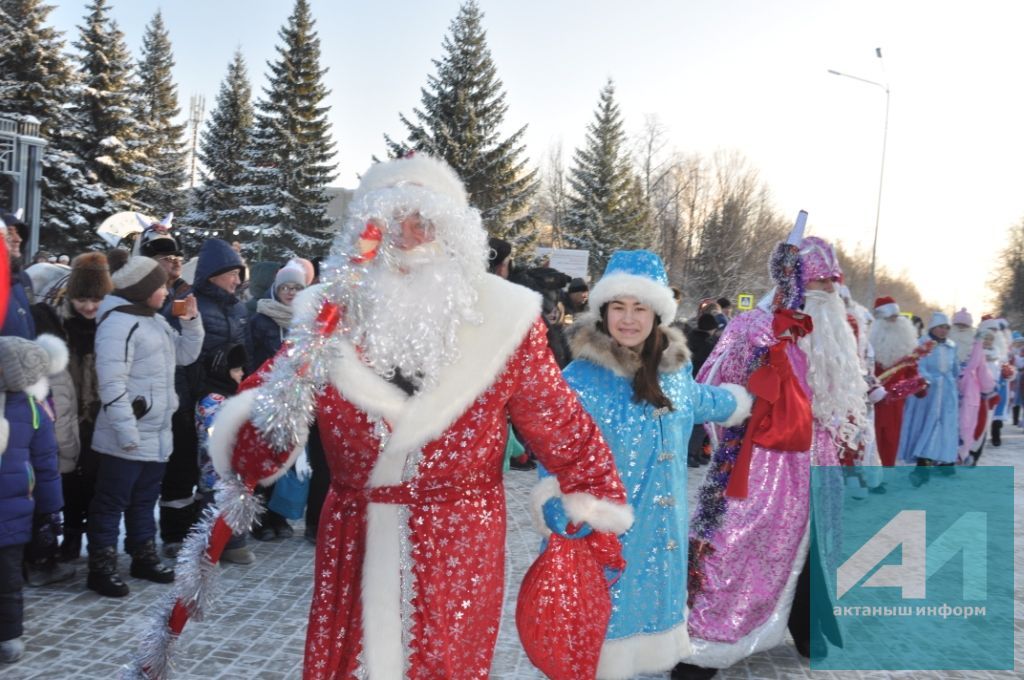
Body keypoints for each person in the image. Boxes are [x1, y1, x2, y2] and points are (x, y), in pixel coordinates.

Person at [140, 155, 632, 678]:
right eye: (396, 217)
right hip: (355, 538)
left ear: (455, 230)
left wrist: (595, 509)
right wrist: (285, 391)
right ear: (368, 229)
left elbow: (562, 427)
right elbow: (253, 448)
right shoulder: (327, 316)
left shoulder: (507, 318)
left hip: (461, 544)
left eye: (428, 217)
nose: (414, 234)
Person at [550, 250, 749, 679]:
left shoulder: (675, 371)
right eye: (618, 307)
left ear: (657, 313)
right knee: (604, 649)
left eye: (639, 308)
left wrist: (745, 402)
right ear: (603, 311)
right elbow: (556, 453)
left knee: (649, 649)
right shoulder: (581, 381)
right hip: (608, 545)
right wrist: (565, 508)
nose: (628, 319)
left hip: (664, 542)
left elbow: (699, 401)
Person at [679, 232, 866, 677]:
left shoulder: (839, 335)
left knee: (818, 550)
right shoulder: (754, 326)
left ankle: (807, 629)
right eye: (817, 283)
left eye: (831, 285)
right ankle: (704, 647)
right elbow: (714, 383)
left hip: (818, 466)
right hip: (763, 466)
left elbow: (844, 405)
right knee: (735, 543)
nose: (826, 293)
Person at [87, 255, 203, 597]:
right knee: (111, 501)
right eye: (160, 287)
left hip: (156, 432)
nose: (167, 292)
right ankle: (101, 566)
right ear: (142, 290)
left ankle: (142, 555)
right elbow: (111, 382)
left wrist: (192, 320)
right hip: (127, 433)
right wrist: (125, 431)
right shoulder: (118, 324)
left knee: (144, 499)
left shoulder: (155, 320)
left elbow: (186, 355)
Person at [159, 238, 245, 556]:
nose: (237, 280)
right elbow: (177, 356)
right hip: (191, 399)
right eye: (231, 274)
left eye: (239, 274)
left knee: (217, 468)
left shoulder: (236, 308)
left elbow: (242, 351)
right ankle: (175, 534)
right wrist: (181, 402)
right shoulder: (188, 305)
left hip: (223, 401)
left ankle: (214, 534)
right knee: (181, 469)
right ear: (213, 275)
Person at [0, 335, 68, 664]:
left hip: (12, 512)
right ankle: (9, 637)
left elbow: (45, 461)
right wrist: (50, 508)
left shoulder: (31, 410)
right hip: (16, 512)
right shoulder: (33, 407)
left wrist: (50, 508)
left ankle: (9, 636)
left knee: (9, 579)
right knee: (8, 581)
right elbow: (46, 464)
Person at [246, 261, 307, 539]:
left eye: (296, 287)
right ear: (276, 289)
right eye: (286, 287)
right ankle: (260, 519)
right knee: (265, 459)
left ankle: (278, 516)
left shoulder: (306, 320)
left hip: (296, 397)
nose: (290, 292)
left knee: (288, 461)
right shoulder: (261, 319)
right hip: (266, 395)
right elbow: (250, 357)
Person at [195, 344, 253, 564]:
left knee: (235, 505)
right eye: (236, 370)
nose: (241, 374)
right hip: (216, 469)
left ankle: (234, 544)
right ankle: (208, 548)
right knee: (213, 508)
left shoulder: (231, 395)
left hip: (234, 468)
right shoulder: (211, 400)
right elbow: (215, 434)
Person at [896, 312, 960, 484]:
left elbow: (955, 369)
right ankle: (922, 466)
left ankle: (945, 460)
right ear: (933, 327)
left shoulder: (952, 346)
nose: (944, 331)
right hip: (928, 395)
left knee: (946, 427)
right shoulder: (922, 345)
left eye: (947, 327)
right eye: (941, 327)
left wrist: (953, 384)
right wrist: (929, 380)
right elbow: (918, 367)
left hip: (947, 395)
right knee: (927, 426)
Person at [869, 296, 919, 466]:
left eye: (896, 318)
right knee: (873, 437)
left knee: (892, 437)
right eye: (889, 318)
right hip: (872, 400)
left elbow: (912, 372)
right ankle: (872, 475)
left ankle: (886, 470)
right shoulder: (869, 342)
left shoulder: (907, 344)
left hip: (896, 401)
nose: (894, 322)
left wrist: (919, 385)